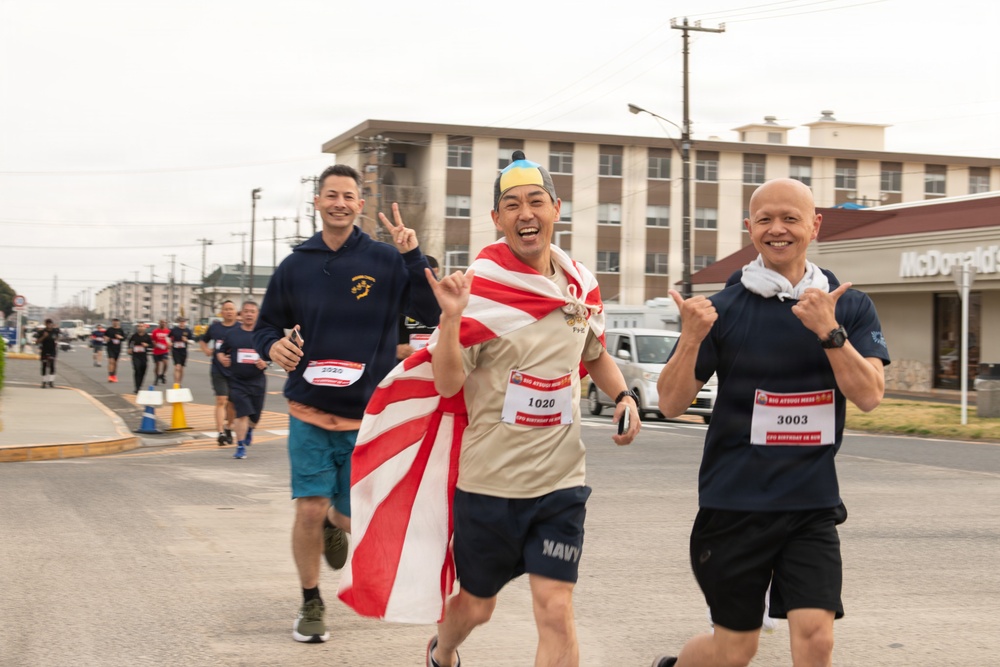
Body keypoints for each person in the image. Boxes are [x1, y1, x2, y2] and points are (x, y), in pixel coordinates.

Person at [411, 151, 641, 667]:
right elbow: (448, 384)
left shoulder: (579, 287)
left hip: (560, 485)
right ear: (496, 219)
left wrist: (624, 396)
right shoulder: (478, 290)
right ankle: (442, 649)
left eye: (536, 201)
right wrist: (449, 322)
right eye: (511, 204)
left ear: (556, 208)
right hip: (490, 487)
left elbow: (596, 355)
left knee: (556, 609)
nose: (525, 213)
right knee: (477, 606)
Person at [650, 178, 890, 667]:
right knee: (735, 650)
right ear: (749, 228)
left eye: (790, 218)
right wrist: (692, 338)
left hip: (811, 505)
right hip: (733, 504)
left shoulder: (848, 306)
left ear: (814, 225)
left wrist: (830, 332)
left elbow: (869, 395)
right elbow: (672, 403)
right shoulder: (721, 309)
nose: (777, 230)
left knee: (816, 639)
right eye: (765, 220)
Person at [253, 163, 440, 644]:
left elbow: (432, 312)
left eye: (348, 196)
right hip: (308, 411)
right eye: (330, 195)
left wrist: (413, 255)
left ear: (361, 204)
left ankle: (338, 524)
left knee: (349, 516)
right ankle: (311, 602)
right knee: (310, 509)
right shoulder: (296, 265)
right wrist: (273, 347)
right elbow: (266, 327)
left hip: (367, 417)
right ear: (317, 202)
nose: (339, 203)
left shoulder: (384, 260)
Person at [216, 301, 269, 460]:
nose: (249, 314)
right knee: (242, 414)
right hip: (238, 381)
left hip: (257, 381)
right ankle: (240, 447)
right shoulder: (233, 333)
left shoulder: (263, 335)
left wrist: (265, 362)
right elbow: (220, 351)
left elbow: (271, 354)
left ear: (257, 314)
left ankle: (250, 430)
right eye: (246, 311)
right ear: (241, 313)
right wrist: (222, 359)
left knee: (255, 417)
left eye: (252, 311)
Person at [199, 301, 239, 446]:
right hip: (218, 369)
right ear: (221, 312)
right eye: (226, 309)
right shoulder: (215, 328)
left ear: (235, 312)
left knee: (232, 403)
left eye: (231, 309)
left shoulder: (240, 328)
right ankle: (220, 432)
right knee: (221, 400)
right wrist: (206, 350)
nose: (229, 311)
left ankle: (229, 427)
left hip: (235, 371)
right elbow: (203, 341)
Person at [397, 255, 439, 361]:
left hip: (433, 363)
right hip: (401, 364)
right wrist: (393, 350)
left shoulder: (445, 298)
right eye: (425, 275)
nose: (428, 280)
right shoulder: (398, 297)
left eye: (433, 275)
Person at [127, 323, 153, 394]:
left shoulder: (147, 336)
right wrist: (130, 348)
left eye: (142, 326)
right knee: (137, 369)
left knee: (143, 370)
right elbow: (130, 342)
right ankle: (137, 387)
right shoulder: (134, 336)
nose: (140, 328)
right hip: (135, 355)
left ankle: (140, 384)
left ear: (144, 328)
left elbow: (151, 345)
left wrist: (147, 345)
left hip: (143, 356)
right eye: (139, 326)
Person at [34, 319, 60, 388]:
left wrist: (57, 340)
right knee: (44, 366)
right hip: (44, 350)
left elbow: (57, 338)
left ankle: (51, 381)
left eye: (50, 324)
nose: (49, 325)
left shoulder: (55, 331)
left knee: (52, 365)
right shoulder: (42, 332)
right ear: (45, 324)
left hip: (52, 351)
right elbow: (37, 342)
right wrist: (44, 336)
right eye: (48, 324)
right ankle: (44, 382)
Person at [169, 316, 194, 386]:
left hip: (183, 351)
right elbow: (167, 337)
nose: (182, 323)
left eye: (183, 322)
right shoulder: (174, 330)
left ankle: (179, 382)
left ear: (185, 322)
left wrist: (187, 340)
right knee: (177, 367)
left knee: (181, 368)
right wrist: (169, 343)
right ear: (178, 322)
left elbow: (192, 342)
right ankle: (176, 383)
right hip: (175, 350)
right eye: (180, 322)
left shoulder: (188, 331)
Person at [105, 318, 126, 383]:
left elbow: (124, 338)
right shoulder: (109, 329)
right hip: (110, 347)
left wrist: (120, 337)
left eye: (116, 322)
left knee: (115, 363)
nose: (115, 323)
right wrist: (106, 338)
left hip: (117, 348)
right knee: (111, 361)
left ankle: (114, 375)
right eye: (114, 322)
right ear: (112, 322)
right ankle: (110, 376)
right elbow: (105, 336)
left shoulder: (120, 330)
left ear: (118, 323)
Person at [150, 319, 171, 385]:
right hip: (156, 351)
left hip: (164, 350)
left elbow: (170, 340)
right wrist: (154, 344)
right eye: (162, 322)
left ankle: (162, 374)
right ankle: (156, 377)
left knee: (165, 363)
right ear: (159, 323)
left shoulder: (168, 331)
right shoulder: (155, 331)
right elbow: (152, 340)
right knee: (157, 365)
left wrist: (169, 345)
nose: (163, 323)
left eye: (164, 322)